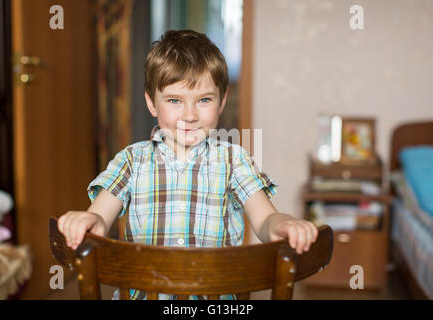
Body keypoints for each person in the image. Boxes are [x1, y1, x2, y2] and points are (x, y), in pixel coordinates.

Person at [58, 30, 318, 300]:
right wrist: (90, 218)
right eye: (174, 100)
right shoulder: (131, 161)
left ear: (222, 101)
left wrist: (281, 222)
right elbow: (100, 217)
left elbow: (264, 219)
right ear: (152, 103)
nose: (191, 115)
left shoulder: (234, 160)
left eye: (204, 100)